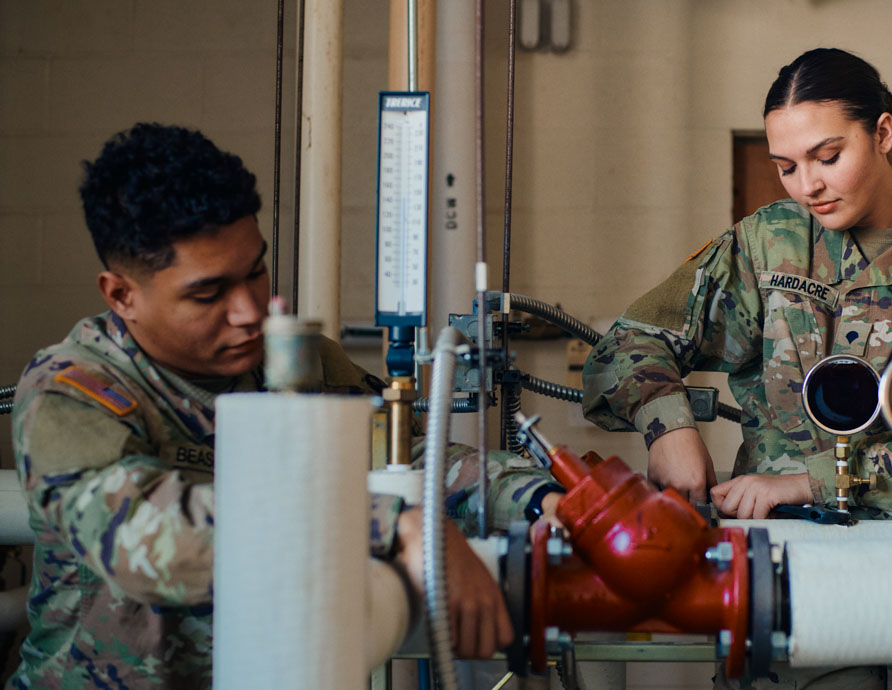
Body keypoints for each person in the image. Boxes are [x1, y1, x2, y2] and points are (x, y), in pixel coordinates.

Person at [7, 123, 560, 689]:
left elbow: (411, 460)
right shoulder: (72, 392)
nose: (249, 311)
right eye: (208, 293)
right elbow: (147, 540)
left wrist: (540, 499)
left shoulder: (300, 364)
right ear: (122, 295)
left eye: (255, 273)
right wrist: (392, 526)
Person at [583, 49, 892, 687]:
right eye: (786, 166)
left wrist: (815, 481)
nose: (808, 185)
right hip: (789, 579)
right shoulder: (767, 244)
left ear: (882, 133)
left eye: (828, 157)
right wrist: (668, 426)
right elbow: (629, 343)